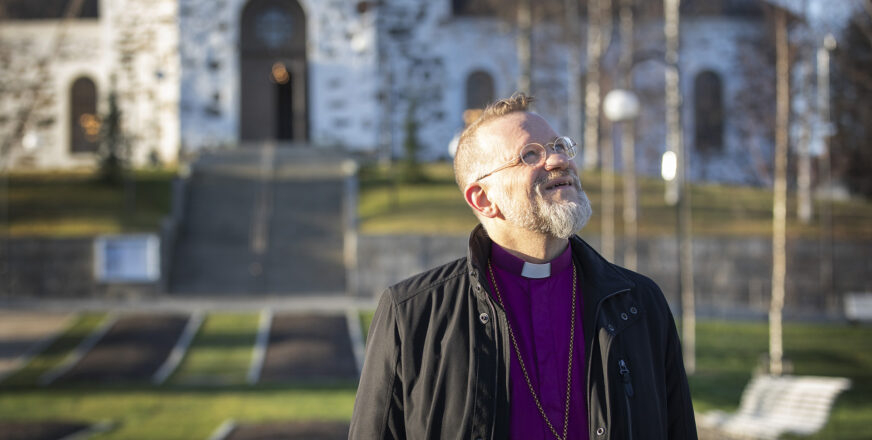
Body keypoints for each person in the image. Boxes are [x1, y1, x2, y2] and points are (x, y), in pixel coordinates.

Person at [349, 93, 697, 439]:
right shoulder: (412, 314)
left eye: (559, 146)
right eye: (531, 154)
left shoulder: (638, 304)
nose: (558, 160)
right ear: (483, 198)